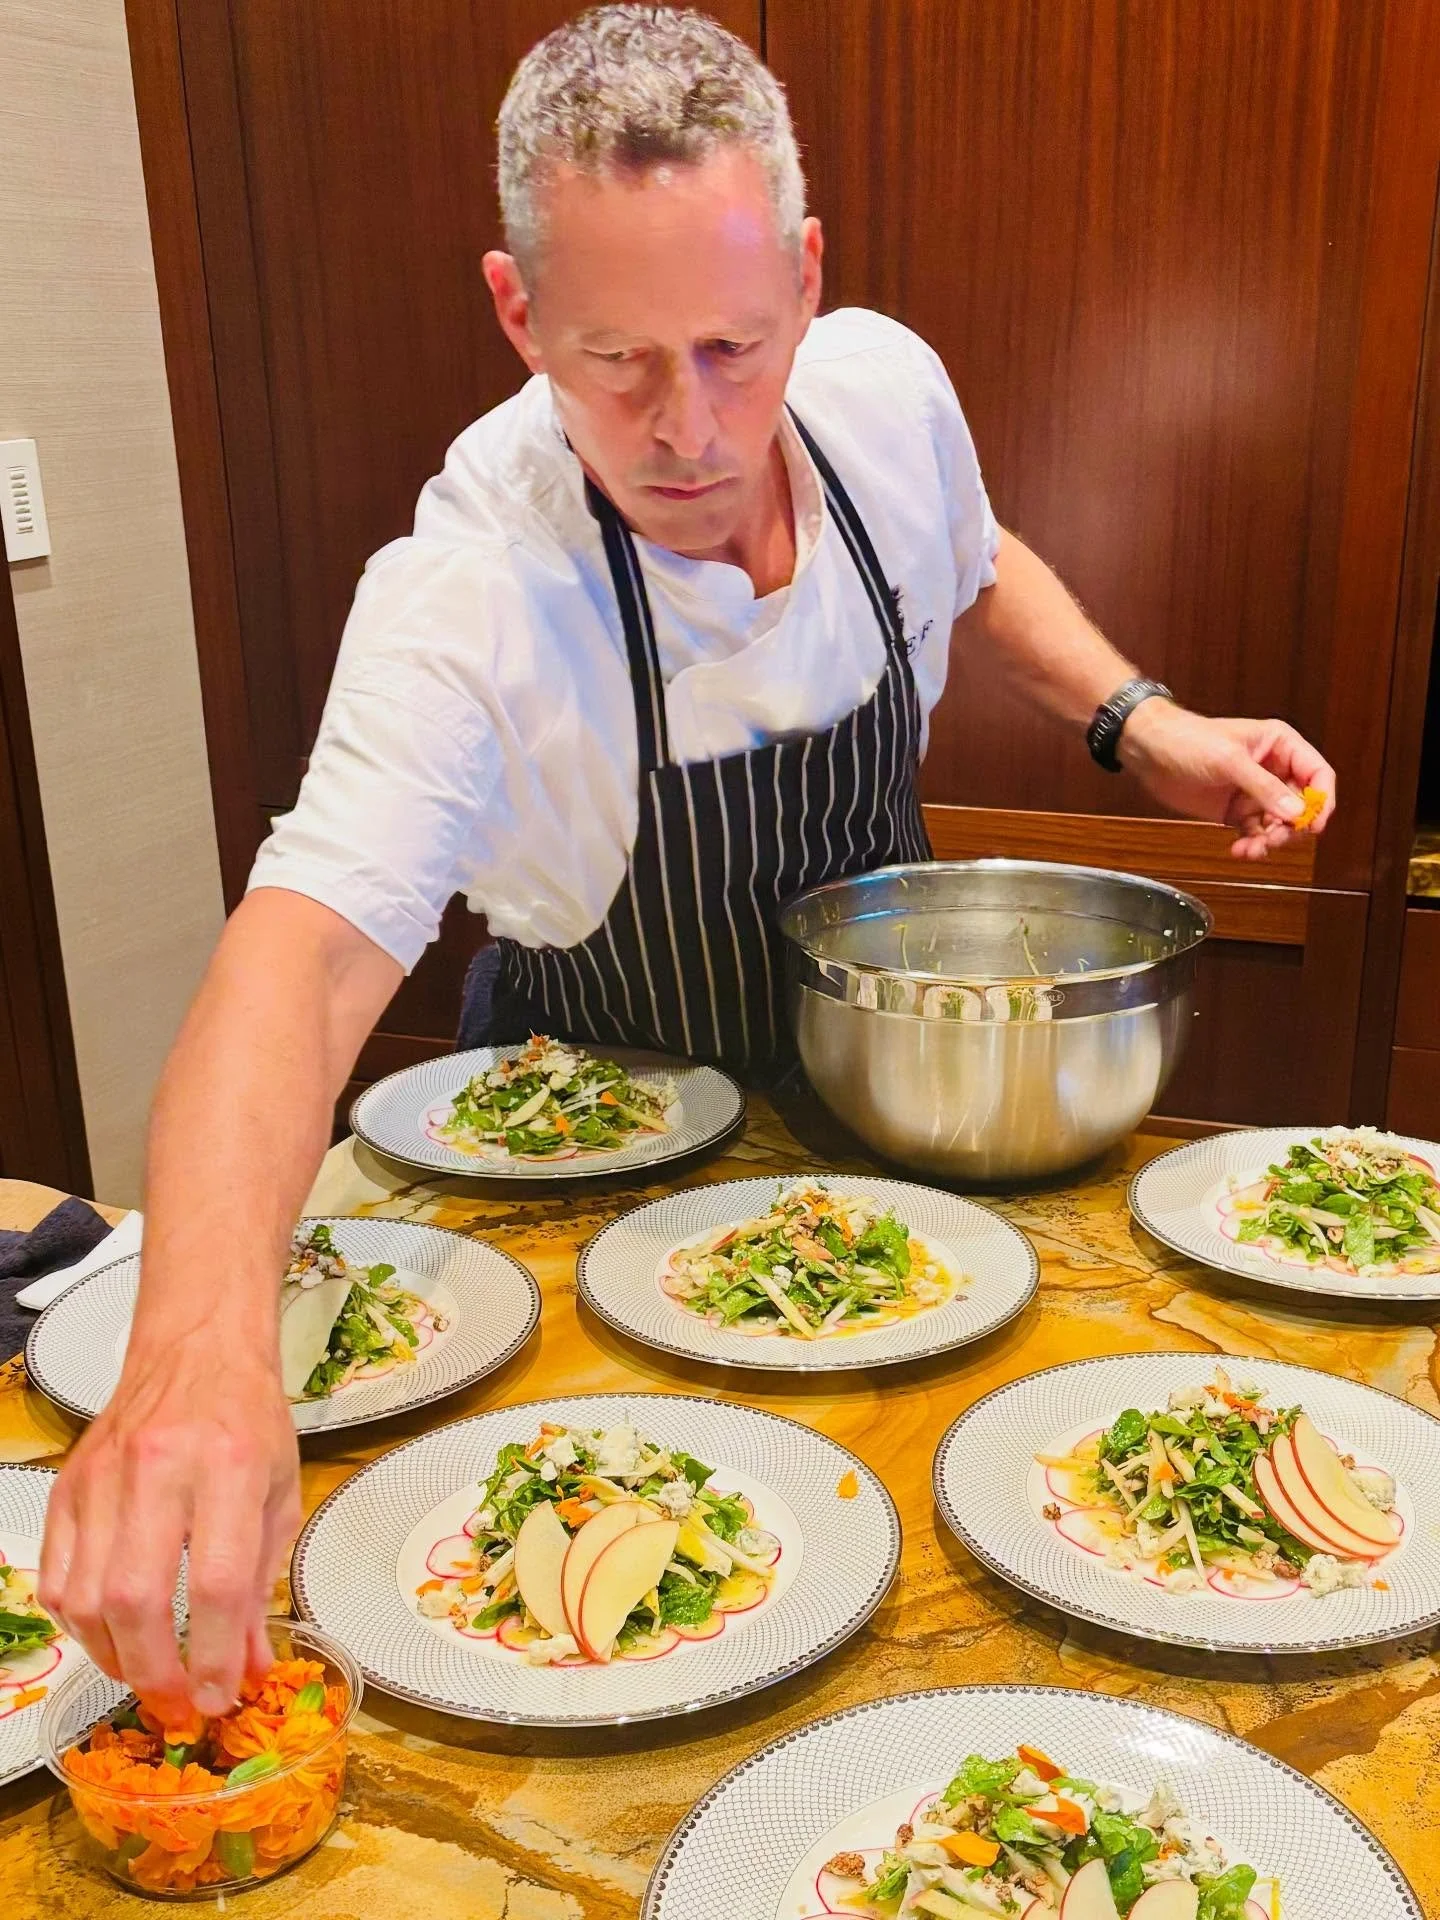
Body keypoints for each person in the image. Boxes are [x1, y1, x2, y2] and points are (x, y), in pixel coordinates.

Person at [40, 4, 1334, 1716]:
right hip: (595, 1173)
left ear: (806, 281)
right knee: (615, 1641)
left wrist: (1136, 720)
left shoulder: (885, 391)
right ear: (517, 316)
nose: (687, 431)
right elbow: (306, 945)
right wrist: (195, 1358)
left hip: (891, 1129)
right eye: (614, 360)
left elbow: (974, 554)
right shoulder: (474, 585)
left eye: (732, 347)